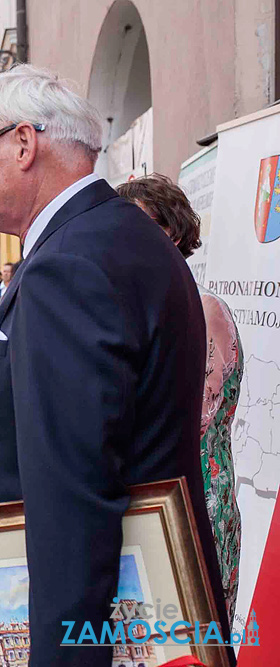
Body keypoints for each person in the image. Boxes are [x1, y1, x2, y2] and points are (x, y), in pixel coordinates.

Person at [0, 65, 231, 666]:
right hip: (159, 602)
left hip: (114, 622)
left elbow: (73, 497)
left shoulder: (70, 263)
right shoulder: (120, 235)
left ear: (23, 144)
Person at [118, 174, 243, 624]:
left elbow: (195, 419)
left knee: (199, 629)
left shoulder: (202, 306)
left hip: (199, 501)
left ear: (169, 231)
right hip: (159, 500)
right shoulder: (149, 305)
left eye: (134, 224)